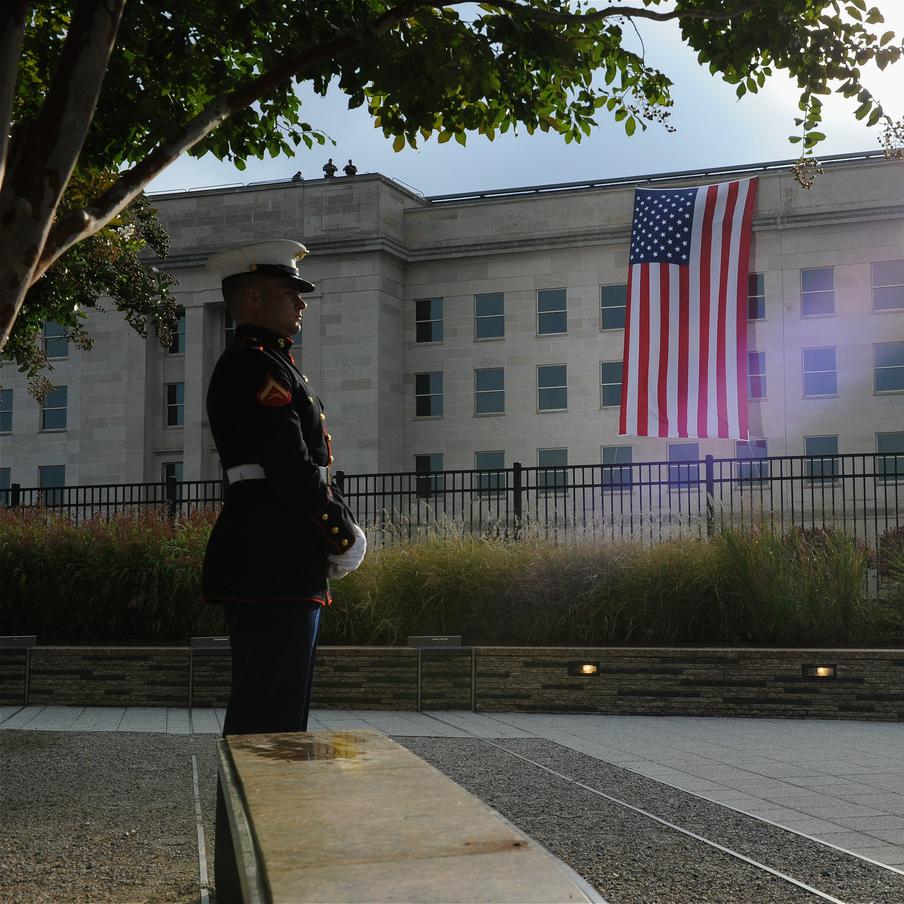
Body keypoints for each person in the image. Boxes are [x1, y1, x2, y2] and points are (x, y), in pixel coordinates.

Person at [202, 239, 366, 901]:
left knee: (276, 725)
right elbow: (290, 468)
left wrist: (332, 528)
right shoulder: (253, 367)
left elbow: (302, 469)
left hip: (277, 561)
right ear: (253, 297)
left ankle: (260, 869)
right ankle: (245, 881)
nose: (300, 303)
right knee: (264, 729)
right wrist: (339, 532)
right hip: (271, 560)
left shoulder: (270, 363)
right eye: (290, 292)